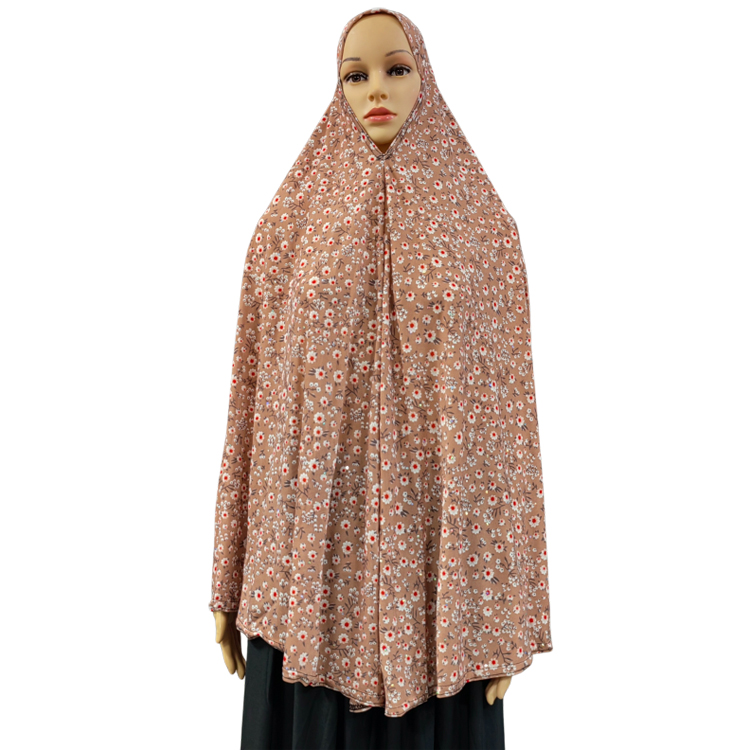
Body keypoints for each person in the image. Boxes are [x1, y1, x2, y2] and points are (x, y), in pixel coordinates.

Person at [209, 8, 553, 749]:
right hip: (303, 574)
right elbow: (251, 407)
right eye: (355, 74)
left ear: (425, 78)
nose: (377, 89)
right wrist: (230, 578)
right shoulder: (288, 229)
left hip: (443, 593)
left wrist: (509, 613)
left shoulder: (485, 231)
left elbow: (509, 427)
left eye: (397, 69)